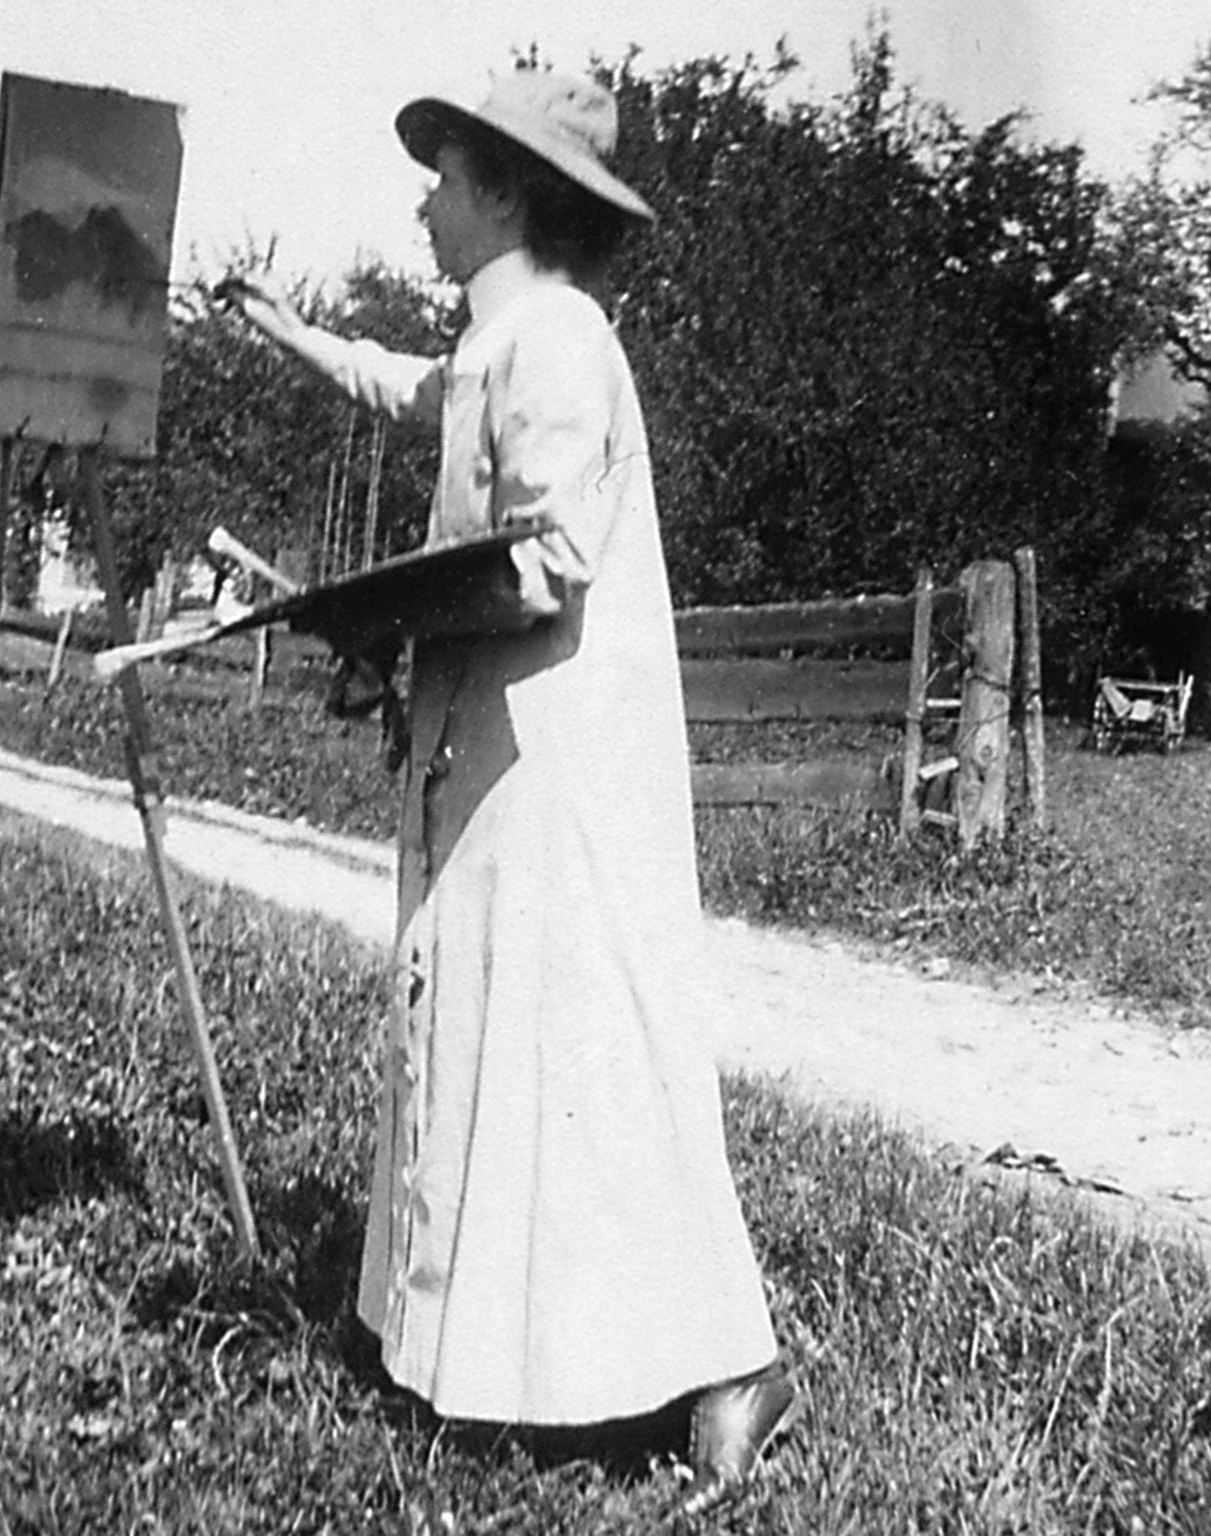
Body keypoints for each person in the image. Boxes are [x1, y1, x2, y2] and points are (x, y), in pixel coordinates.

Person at [223, 68, 796, 1516]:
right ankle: (469, 1358)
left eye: (444, 177)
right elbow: (406, 385)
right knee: (477, 1024)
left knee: (581, 1042)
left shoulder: (562, 345)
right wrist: (284, 330)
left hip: (557, 751)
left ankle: (724, 1363)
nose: (423, 200)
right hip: (486, 741)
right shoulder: (498, 343)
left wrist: (377, 616)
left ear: (502, 195)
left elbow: (546, 561)